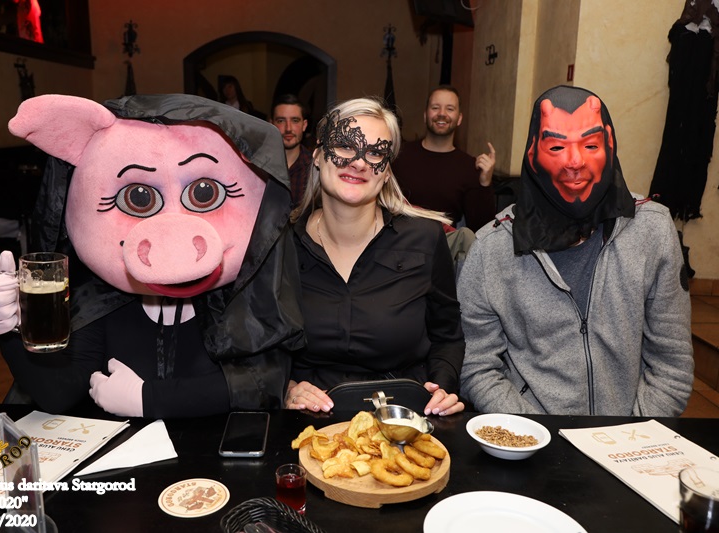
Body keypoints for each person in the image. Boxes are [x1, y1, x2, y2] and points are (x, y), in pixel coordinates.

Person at [0, 93, 304, 418]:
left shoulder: (245, 296)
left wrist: (150, 399)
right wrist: (10, 330)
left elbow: (263, 384)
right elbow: (57, 393)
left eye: (204, 194)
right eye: (139, 198)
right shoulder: (99, 297)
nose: (171, 235)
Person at [458, 85, 694, 416]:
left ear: (610, 145)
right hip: (534, 438)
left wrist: (633, 435)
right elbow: (477, 368)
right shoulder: (492, 248)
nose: (574, 162)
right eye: (556, 146)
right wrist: (532, 434)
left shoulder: (652, 230)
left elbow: (672, 364)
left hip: (631, 436)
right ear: (532, 154)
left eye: (591, 145)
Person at [285, 97, 466, 417]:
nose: (359, 163)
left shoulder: (424, 238)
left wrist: (442, 388)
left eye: (375, 153)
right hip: (309, 423)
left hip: (404, 420)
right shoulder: (282, 245)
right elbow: (260, 347)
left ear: (386, 172)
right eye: (344, 146)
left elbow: (447, 336)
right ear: (317, 155)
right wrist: (285, 387)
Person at [391, 85, 497, 231]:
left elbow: (481, 230)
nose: (442, 114)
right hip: (398, 239)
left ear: (459, 119)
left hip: (444, 242)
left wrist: (485, 183)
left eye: (450, 109)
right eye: (435, 107)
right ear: (425, 115)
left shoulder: (469, 167)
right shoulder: (399, 155)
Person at [271, 94, 312, 207]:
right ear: (271, 124)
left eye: (295, 120)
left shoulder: (315, 169)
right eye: (281, 121)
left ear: (304, 125)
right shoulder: (258, 166)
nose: (288, 128)